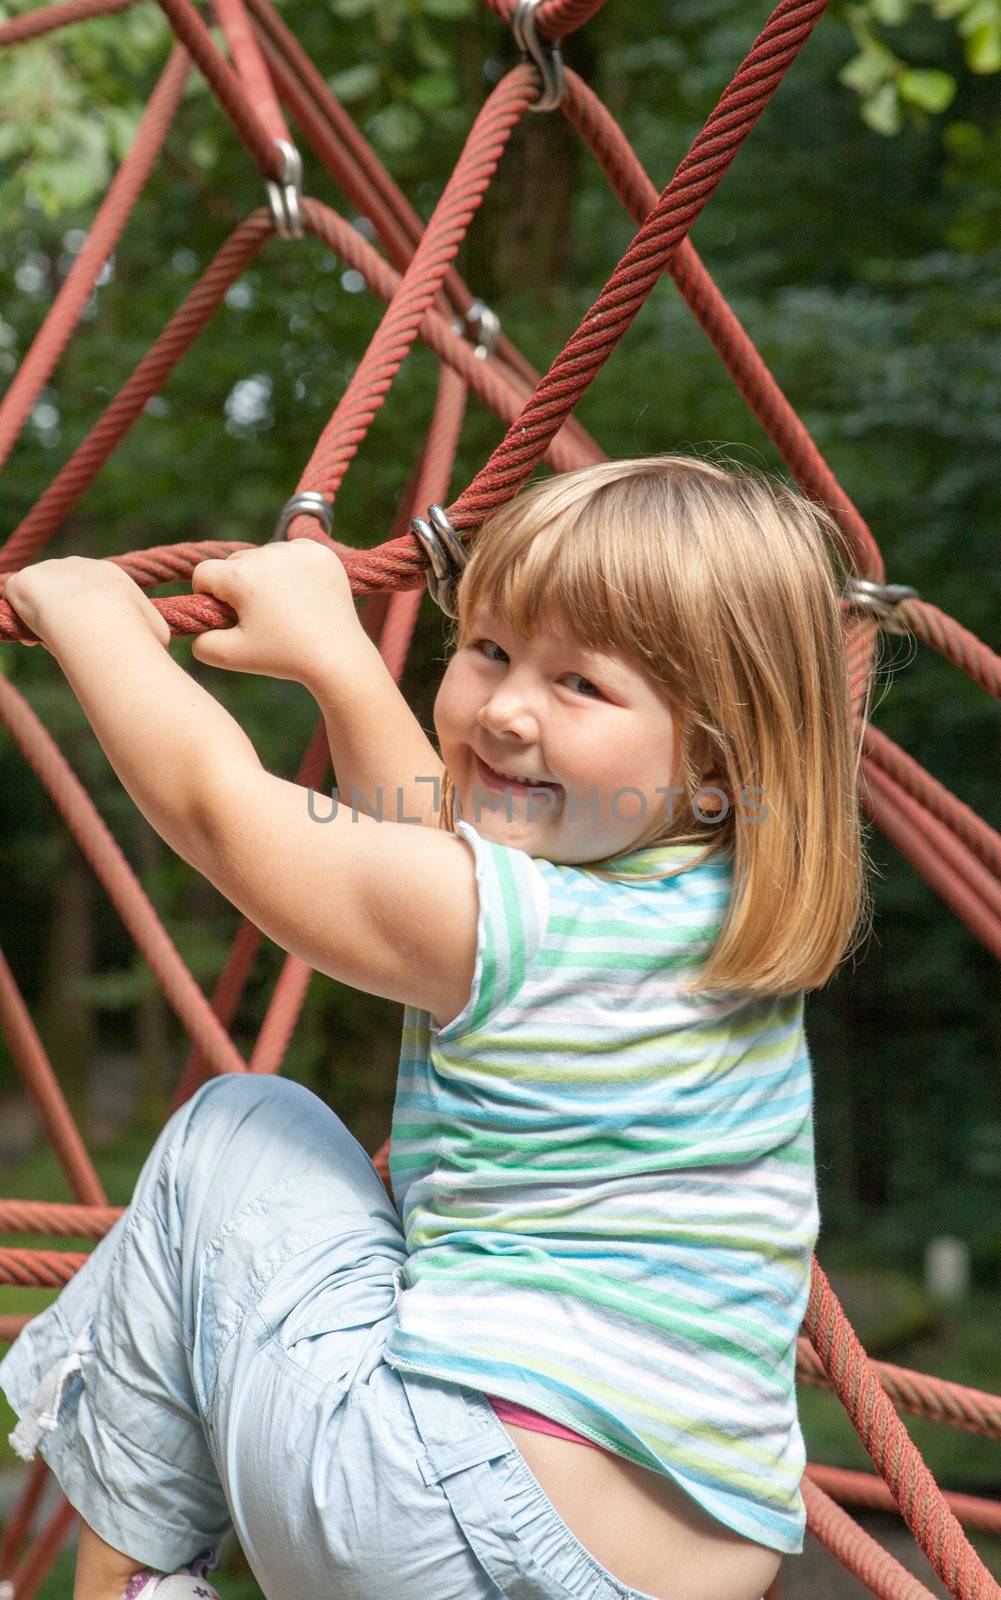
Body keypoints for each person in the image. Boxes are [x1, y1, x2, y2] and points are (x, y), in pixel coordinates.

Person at [0, 455, 874, 1600]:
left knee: (235, 1124)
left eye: (581, 686)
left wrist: (93, 621)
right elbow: (440, 839)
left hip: (445, 1512)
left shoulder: (519, 924)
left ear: (713, 754)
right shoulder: (703, 902)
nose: (506, 708)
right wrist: (335, 656)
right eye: (489, 650)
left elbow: (225, 813)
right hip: (680, 1569)